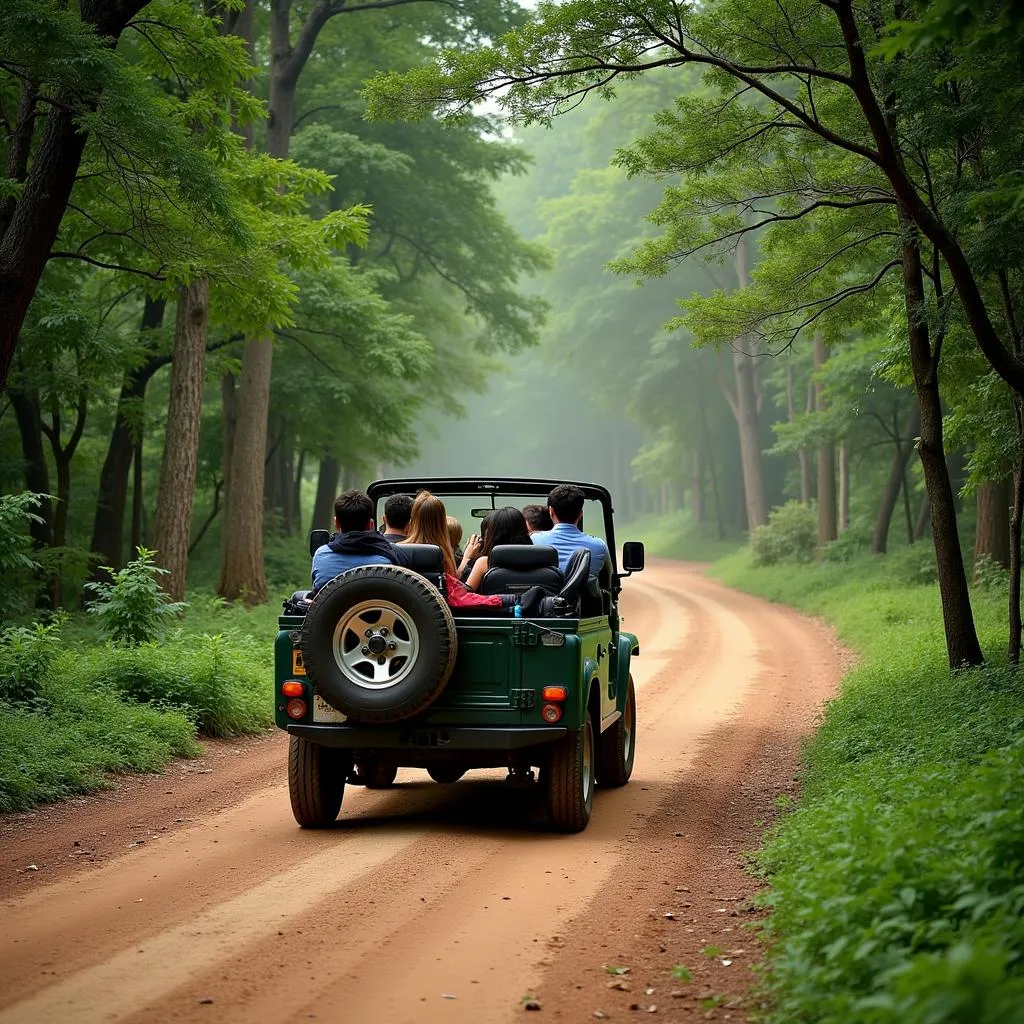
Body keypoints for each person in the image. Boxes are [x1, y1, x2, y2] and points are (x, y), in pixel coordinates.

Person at [311, 490, 400, 591]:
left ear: (336, 523)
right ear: (370, 524)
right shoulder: (387, 560)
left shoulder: (321, 555)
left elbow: (316, 593)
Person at [530, 483, 610, 576]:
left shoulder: (533, 541)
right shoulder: (599, 546)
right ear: (581, 514)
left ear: (551, 512)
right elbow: (608, 580)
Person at [464, 506, 533, 591]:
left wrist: (466, 559)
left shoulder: (484, 563)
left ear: (492, 535)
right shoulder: (539, 561)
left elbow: (463, 596)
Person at [402, 491, 458, 576]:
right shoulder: (444, 556)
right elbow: (453, 583)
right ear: (442, 522)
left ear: (413, 520)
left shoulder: (398, 551)